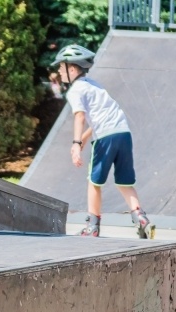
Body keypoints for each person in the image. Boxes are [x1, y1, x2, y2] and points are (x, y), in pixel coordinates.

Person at [53, 44, 153, 238]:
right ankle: (140, 217)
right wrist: (83, 138)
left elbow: (80, 117)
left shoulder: (75, 90)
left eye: (61, 66)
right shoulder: (95, 85)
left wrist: (75, 143)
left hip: (105, 138)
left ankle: (92, 226)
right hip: (123, 133)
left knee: (94, 182)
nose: (59, 71)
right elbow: (102, 117)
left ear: (72, 68)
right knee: (124, 182)